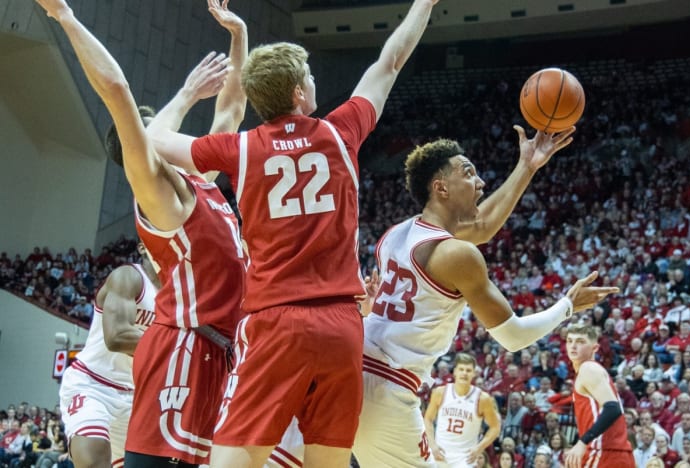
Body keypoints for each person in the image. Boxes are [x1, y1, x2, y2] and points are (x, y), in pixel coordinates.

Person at [146, 0, 442, 466]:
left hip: (276, 323)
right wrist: (423, 4)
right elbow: (390, 60)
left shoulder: (238, 149)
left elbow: (155, 140)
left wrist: (185, 97)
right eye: (309, 75)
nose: (314, 80)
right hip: (342, 326)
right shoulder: (341, 132)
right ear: (300, 94)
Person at [34, 0, 249, 466]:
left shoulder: (200, 185)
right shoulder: (159, 197)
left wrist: (238, 37)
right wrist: (65, 16)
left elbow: (230, 114)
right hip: (170, 355)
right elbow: (117, 90)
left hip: (203, 353)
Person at [354, 137, 618, 466]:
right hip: (386, 390)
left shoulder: (394, 235)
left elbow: (482, 226)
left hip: (349, 369)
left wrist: (527, 165)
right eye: (468, 173)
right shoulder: (456, 254)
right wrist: (567, 305)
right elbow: (513, 337)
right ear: (441, 187)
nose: (480, 182)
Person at [58, 244, 158, 468]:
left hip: (137, 396)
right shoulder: (129, 277)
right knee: (94, 461)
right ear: (144, 247)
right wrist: (174, 346)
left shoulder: (180, 295)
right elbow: (117, 337)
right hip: (93, 384)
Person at [564, 323, 635, 468]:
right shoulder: (592, 370)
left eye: (580, 342)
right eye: (570, 341)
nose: (573, 346)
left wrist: (582, 442)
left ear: (595, 348)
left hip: (604, 452)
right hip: (613, 453)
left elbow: (612, 408)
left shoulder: (588, 368)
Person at [423, 353, 501, 467]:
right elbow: (428, 419)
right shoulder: (440, 392)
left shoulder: (483, 399)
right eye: (461, 369)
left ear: (474, 373)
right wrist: (432, 444)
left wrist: (479, 448)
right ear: (455, 371)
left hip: (465, 459)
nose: (464, 373)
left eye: (468, 370)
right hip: (440, 455)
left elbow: (495, 427)